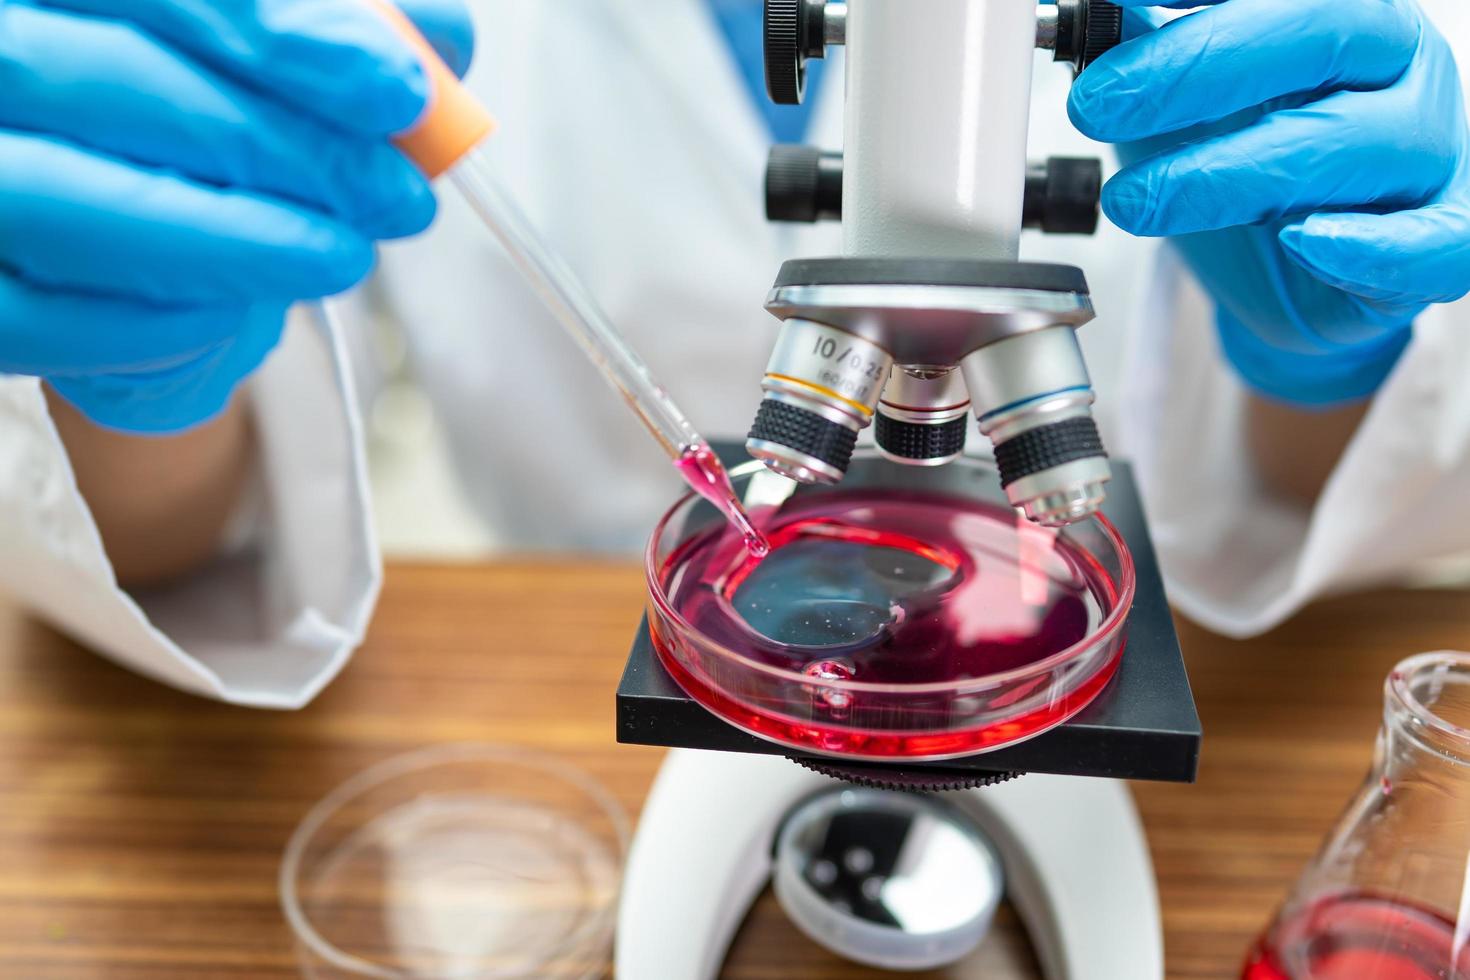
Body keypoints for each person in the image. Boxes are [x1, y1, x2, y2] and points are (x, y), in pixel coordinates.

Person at [2, 0, 1468, 706]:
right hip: (554, 664)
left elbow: (1322, 482)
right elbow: (189, 526)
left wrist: (1324, 360)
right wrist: (139, 368)